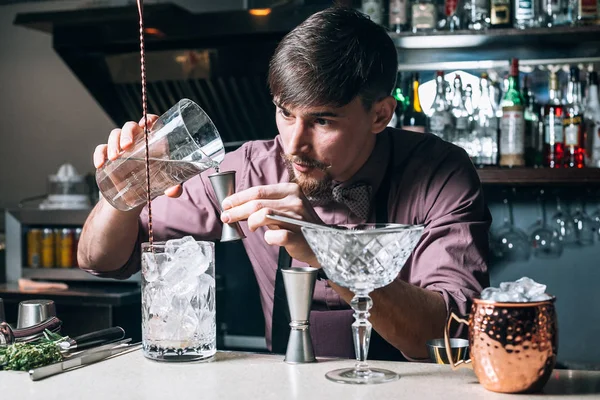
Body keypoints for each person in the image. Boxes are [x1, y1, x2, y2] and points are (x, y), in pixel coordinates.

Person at [78, 7, 491, 361]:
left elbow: (449, 333)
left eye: (322, 120)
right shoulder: (249, 169)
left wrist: (325, 248)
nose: (294, 144)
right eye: (285, 113)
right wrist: (125, 188)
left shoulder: (441, 173)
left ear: (380, 115)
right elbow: (101, 260)